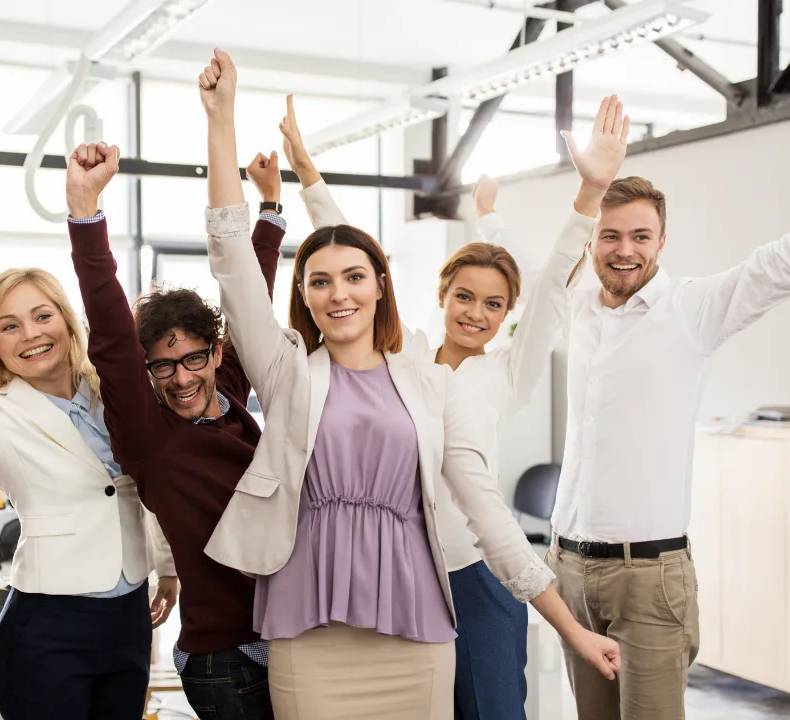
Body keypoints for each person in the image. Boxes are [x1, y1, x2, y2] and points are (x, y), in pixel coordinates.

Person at [198, 50, 619, 720]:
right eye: (464, 297)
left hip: (440, 588)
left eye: (493, 304)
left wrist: (588, 200)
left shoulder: (469, 379)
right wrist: (240, 134)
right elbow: (312, 259)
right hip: (315, 607)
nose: (476, 313)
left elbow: (488, 510)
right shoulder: (403, 359)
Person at [521, 68, 790, 720]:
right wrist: (588, 186)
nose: (624, 250)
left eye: (640, 236)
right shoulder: (576, 308)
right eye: (610, 235)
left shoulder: (693, 309)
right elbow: (537, 282)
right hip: (568, 569)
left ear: (662, 241)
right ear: (593, 241)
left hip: (648, 581)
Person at [0, 204, 180, 719]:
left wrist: (167, 568)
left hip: (130, 616)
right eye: (10, 326)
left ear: (67, 321)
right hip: (50, 626)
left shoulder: (111, 391)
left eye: (43, 316)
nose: (31, 334)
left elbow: (142, 488)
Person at [65, 138, 287, 719]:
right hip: (225, 659)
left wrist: (270, 209)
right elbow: (110, 327)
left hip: (285, 636)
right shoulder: (149, 435)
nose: (181, 378)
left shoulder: (232, 395)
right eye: (162, 364)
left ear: (215, 354)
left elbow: (249, 302)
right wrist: (86, 212)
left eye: (193, 358)